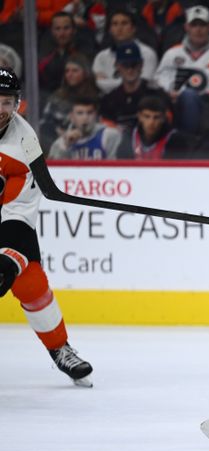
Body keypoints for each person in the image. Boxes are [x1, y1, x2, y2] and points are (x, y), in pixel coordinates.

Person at [0, 68, 93, 387]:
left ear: (17, 104)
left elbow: (18, 214)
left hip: (3, 220)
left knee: (29, 280)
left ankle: (60, 348)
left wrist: (8, 262)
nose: (1, 109)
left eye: (6, 101)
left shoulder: (23, 141)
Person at [154, 5, 209, 134]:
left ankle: (189, 140)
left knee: (189, 96)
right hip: (173, 103)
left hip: (208, 106)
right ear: (186, 27)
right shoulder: (173, 52)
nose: (198, 30)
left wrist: (187, 94)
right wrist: (171, 91)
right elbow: (160, 79)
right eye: (194, 25)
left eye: (203, 25)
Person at [99, 42, 171, 134]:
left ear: (141, 65)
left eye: (134, 64)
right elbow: (106, 129)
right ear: (117, 66)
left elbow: (168, 122)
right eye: (125, 65)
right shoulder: (110, 99)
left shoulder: (156, 93)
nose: (130, 70)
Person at [92, 9, 159, 94]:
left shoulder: (147, 53)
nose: (119, 28)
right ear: (110, 30)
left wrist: (106, 83)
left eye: (124, 23)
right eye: (115, 24)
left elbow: (142, 83)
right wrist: (128, 81)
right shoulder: (101, 56)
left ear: (133, 28)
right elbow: (96, 84)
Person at [118, 95, 195, 160]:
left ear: (164, 118)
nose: (151, 122)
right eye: (147, 116)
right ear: (139, 116)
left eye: (156, 117)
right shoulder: (130, 136)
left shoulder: (175, 140)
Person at [48, 96, 122, 160]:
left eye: (89, 113)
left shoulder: (109, 135)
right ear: (71, 117)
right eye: (80, 113)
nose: (85, 117)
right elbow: (53, 172)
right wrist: (65, 147)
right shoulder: (60, 144)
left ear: (96, 115)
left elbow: (117, 168)